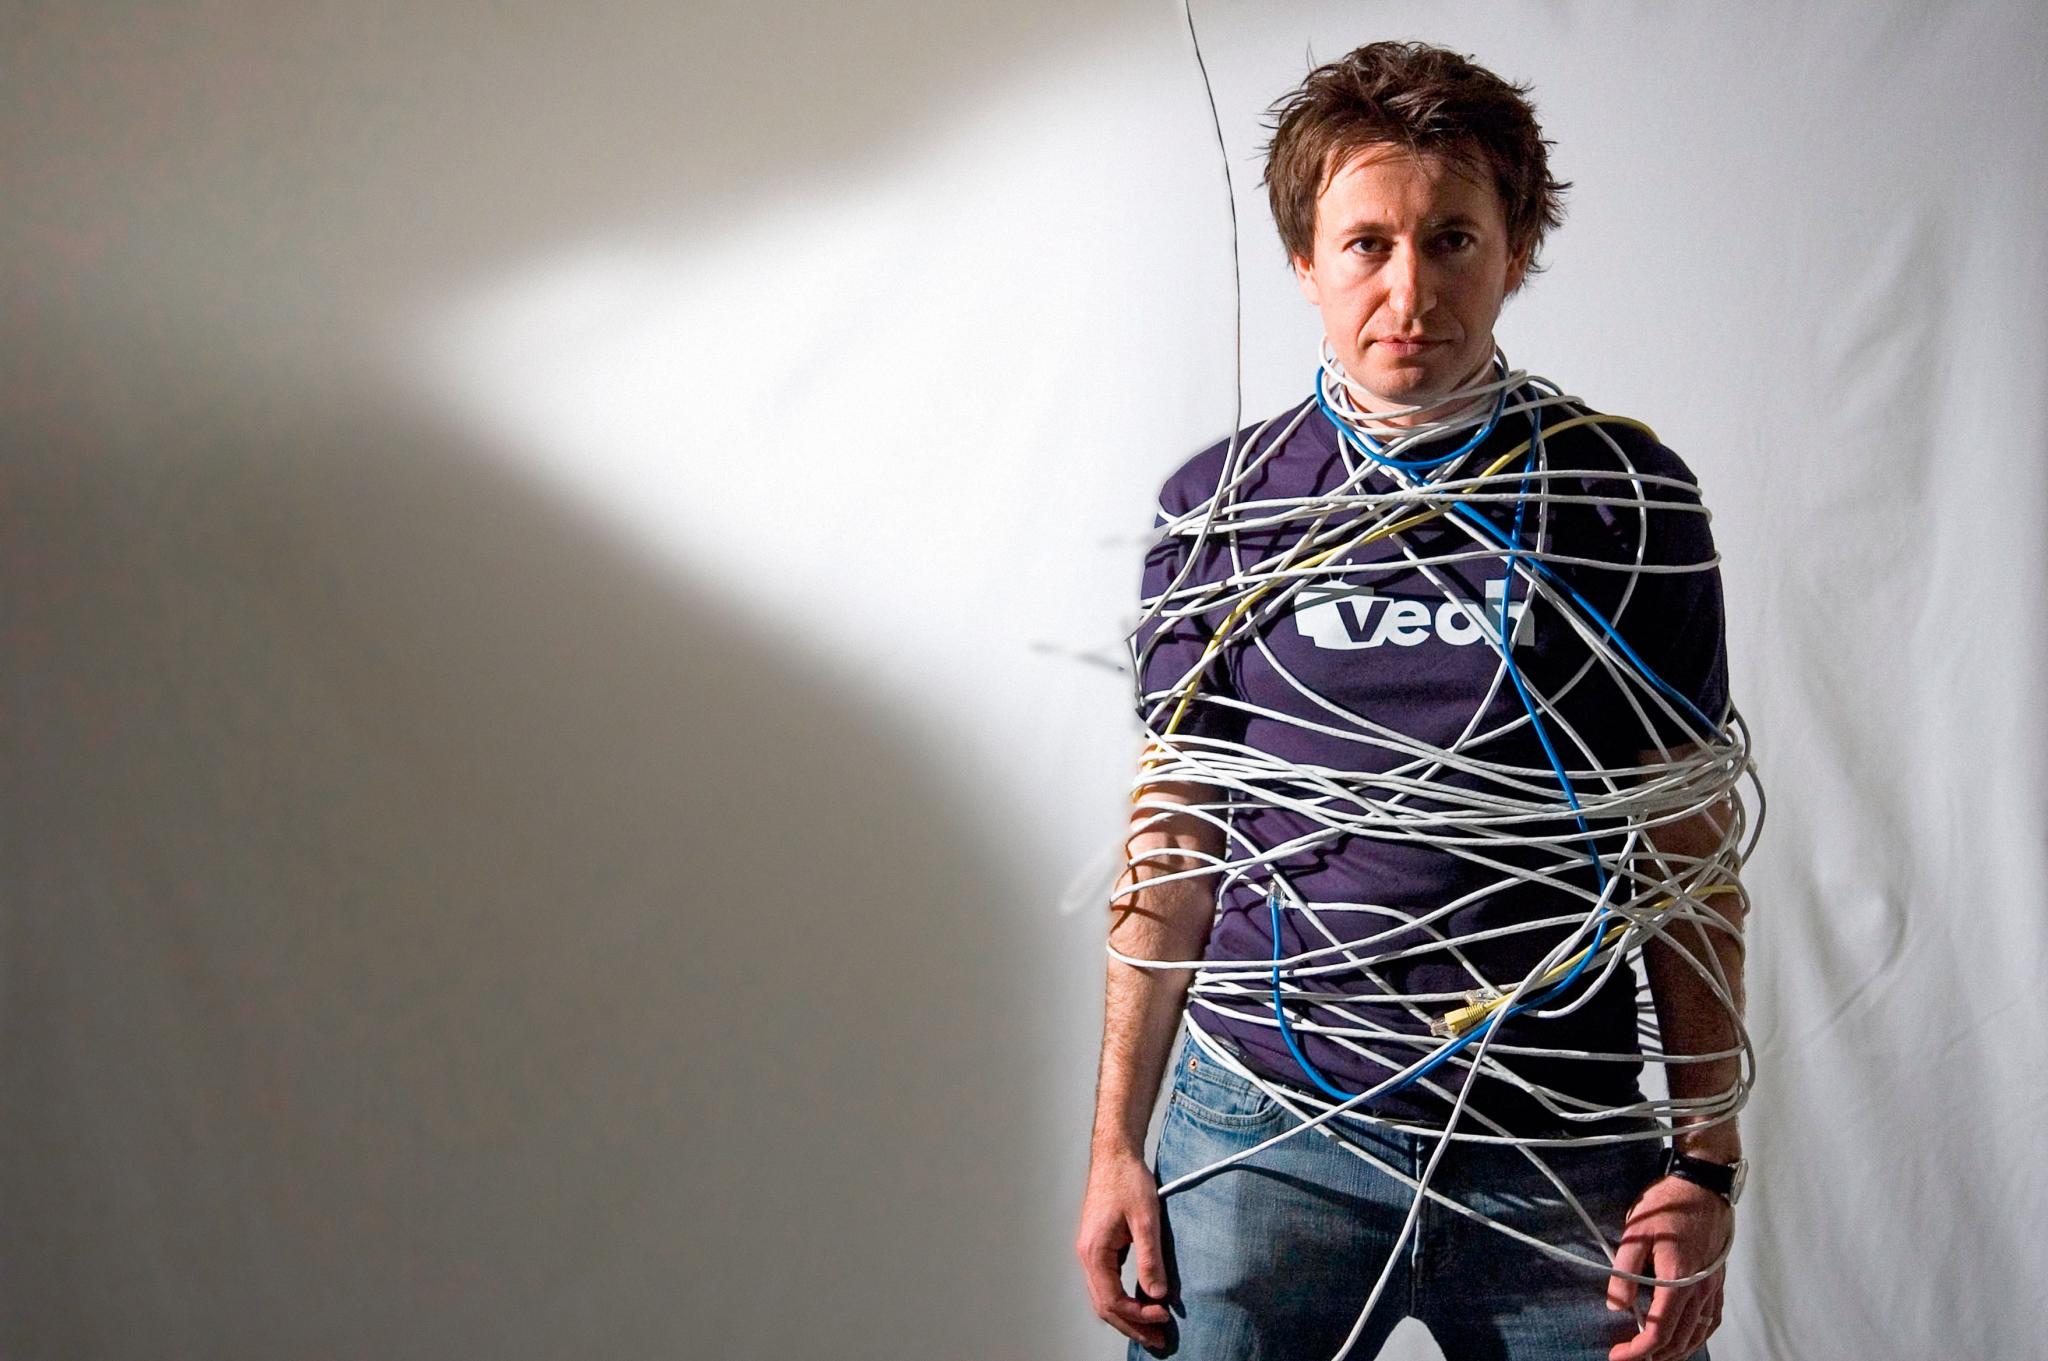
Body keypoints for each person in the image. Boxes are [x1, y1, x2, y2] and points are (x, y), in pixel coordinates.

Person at [1075, 41, 1754, 1361]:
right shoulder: (1221, 511)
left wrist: (1706, 1159)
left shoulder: (1626, 499)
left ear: (1515, 253)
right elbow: (1175, 844)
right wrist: (1113, 1145)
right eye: (1366, 244)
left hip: (1561, 1149)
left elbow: (1686, 853)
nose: (1411, 291)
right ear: (1305, 262)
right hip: (1261, 1136)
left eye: (1452, 240)